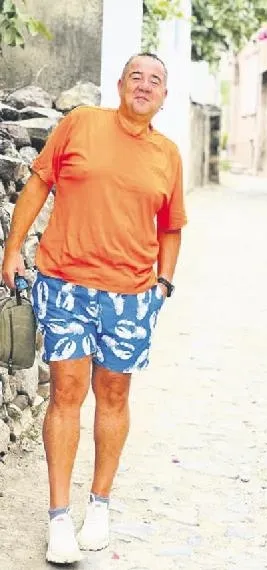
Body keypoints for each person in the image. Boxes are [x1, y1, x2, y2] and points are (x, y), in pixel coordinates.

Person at [1, 52, 187, 564]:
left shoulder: (167, 155)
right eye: (136, 76)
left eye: (155, 80)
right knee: (66, 391)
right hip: (66, 286)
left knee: (114, 394)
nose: (144, 85)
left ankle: (99, 505)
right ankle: (59, 517)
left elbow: (171, 226)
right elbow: (38, 182)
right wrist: (13, 249)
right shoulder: (81, 123)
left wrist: (163, 284)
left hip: (131, 295)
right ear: (120, 84)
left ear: (164, 96)